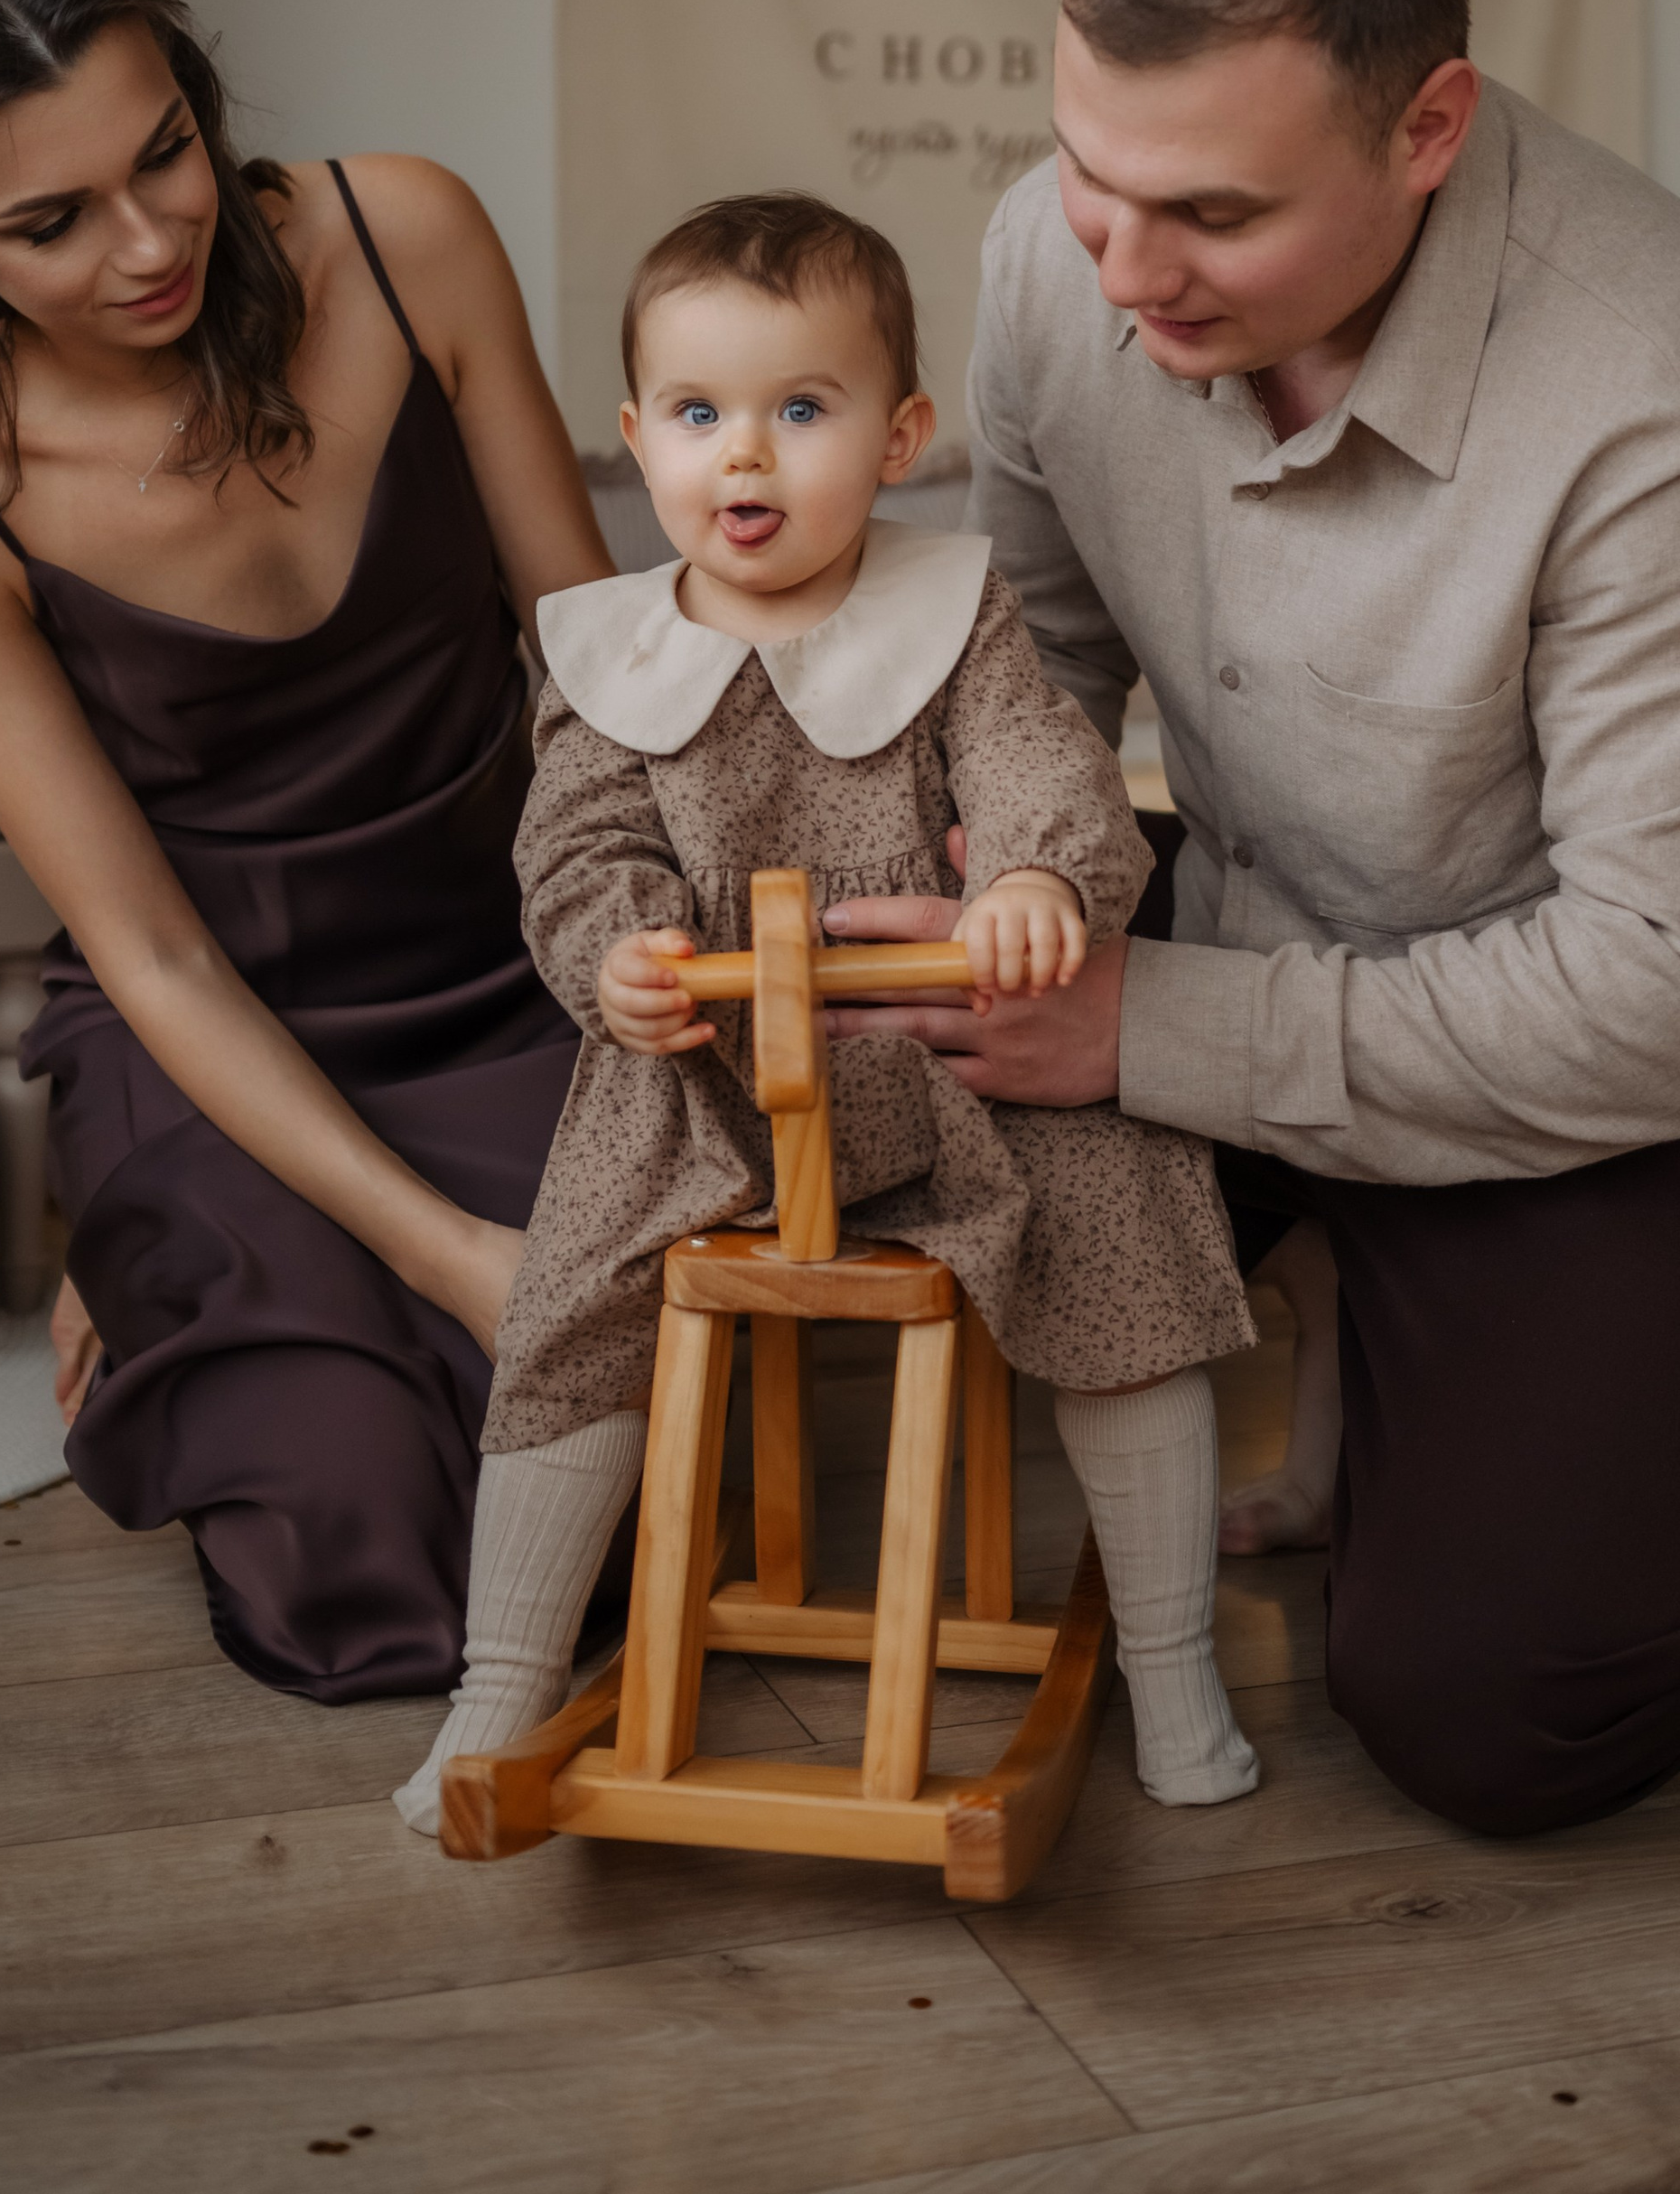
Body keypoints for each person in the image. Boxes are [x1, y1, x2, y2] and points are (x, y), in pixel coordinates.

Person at [822, 0, 1680, 1839]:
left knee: (1487, 1715)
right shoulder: (1047, 261)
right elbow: (1032, 677)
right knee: (854, 1169)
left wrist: (1133, 1031)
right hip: (1261, 918)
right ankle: (1355, 1286)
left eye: (1216, 213)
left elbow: (1675, 1001)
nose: (1125, 266)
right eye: (1092, 170)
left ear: (1426, 126)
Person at [0, 0, 612, 1701]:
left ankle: (190, 1260)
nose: (150, 238)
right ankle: (172, 1225)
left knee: (615, 1480)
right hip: (208, 1033)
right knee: (373, 1563)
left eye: (163, 149)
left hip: (516, 982)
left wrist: (640, 1001)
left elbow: (597, 675)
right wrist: (455, 1257)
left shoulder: (399, 235)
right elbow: (153, 962)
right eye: (48, 219)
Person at [396, 192, 1258, 1832]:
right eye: (705, 417)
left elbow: (1036, 760)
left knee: (1124, 1228)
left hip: (951, 1054)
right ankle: (494, 1691)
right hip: (712, 1080)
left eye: (804, 412)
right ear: (638, 440)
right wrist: (619, 957)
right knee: (574, 1298)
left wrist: (1035, 888)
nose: (750, 461)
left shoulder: (955, 613)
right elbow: (575, 844)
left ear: (899, 435)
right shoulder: (603, 656)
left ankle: (1174, 1657)